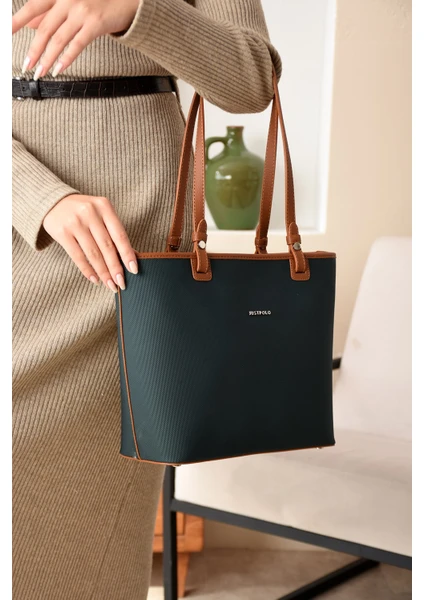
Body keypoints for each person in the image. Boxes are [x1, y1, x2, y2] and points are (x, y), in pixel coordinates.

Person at [12, 0, 282, 597]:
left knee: (84, 541)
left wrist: (135, 9)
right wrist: (36, 196)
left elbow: (253, 79)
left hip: (128, 251)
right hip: (21, 219)